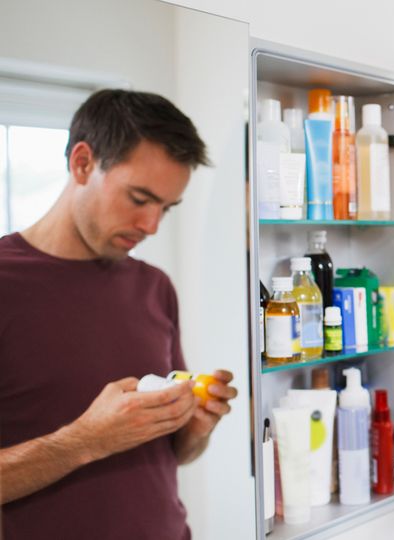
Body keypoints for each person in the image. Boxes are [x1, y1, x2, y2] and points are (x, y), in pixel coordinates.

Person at [0, 89, 238, 539]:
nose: (151, 226)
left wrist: (194, 428)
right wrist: (85, 442)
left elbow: (171, 455)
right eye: (139, 198)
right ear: (83, 163)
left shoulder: (155, 288)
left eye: (165, 208)